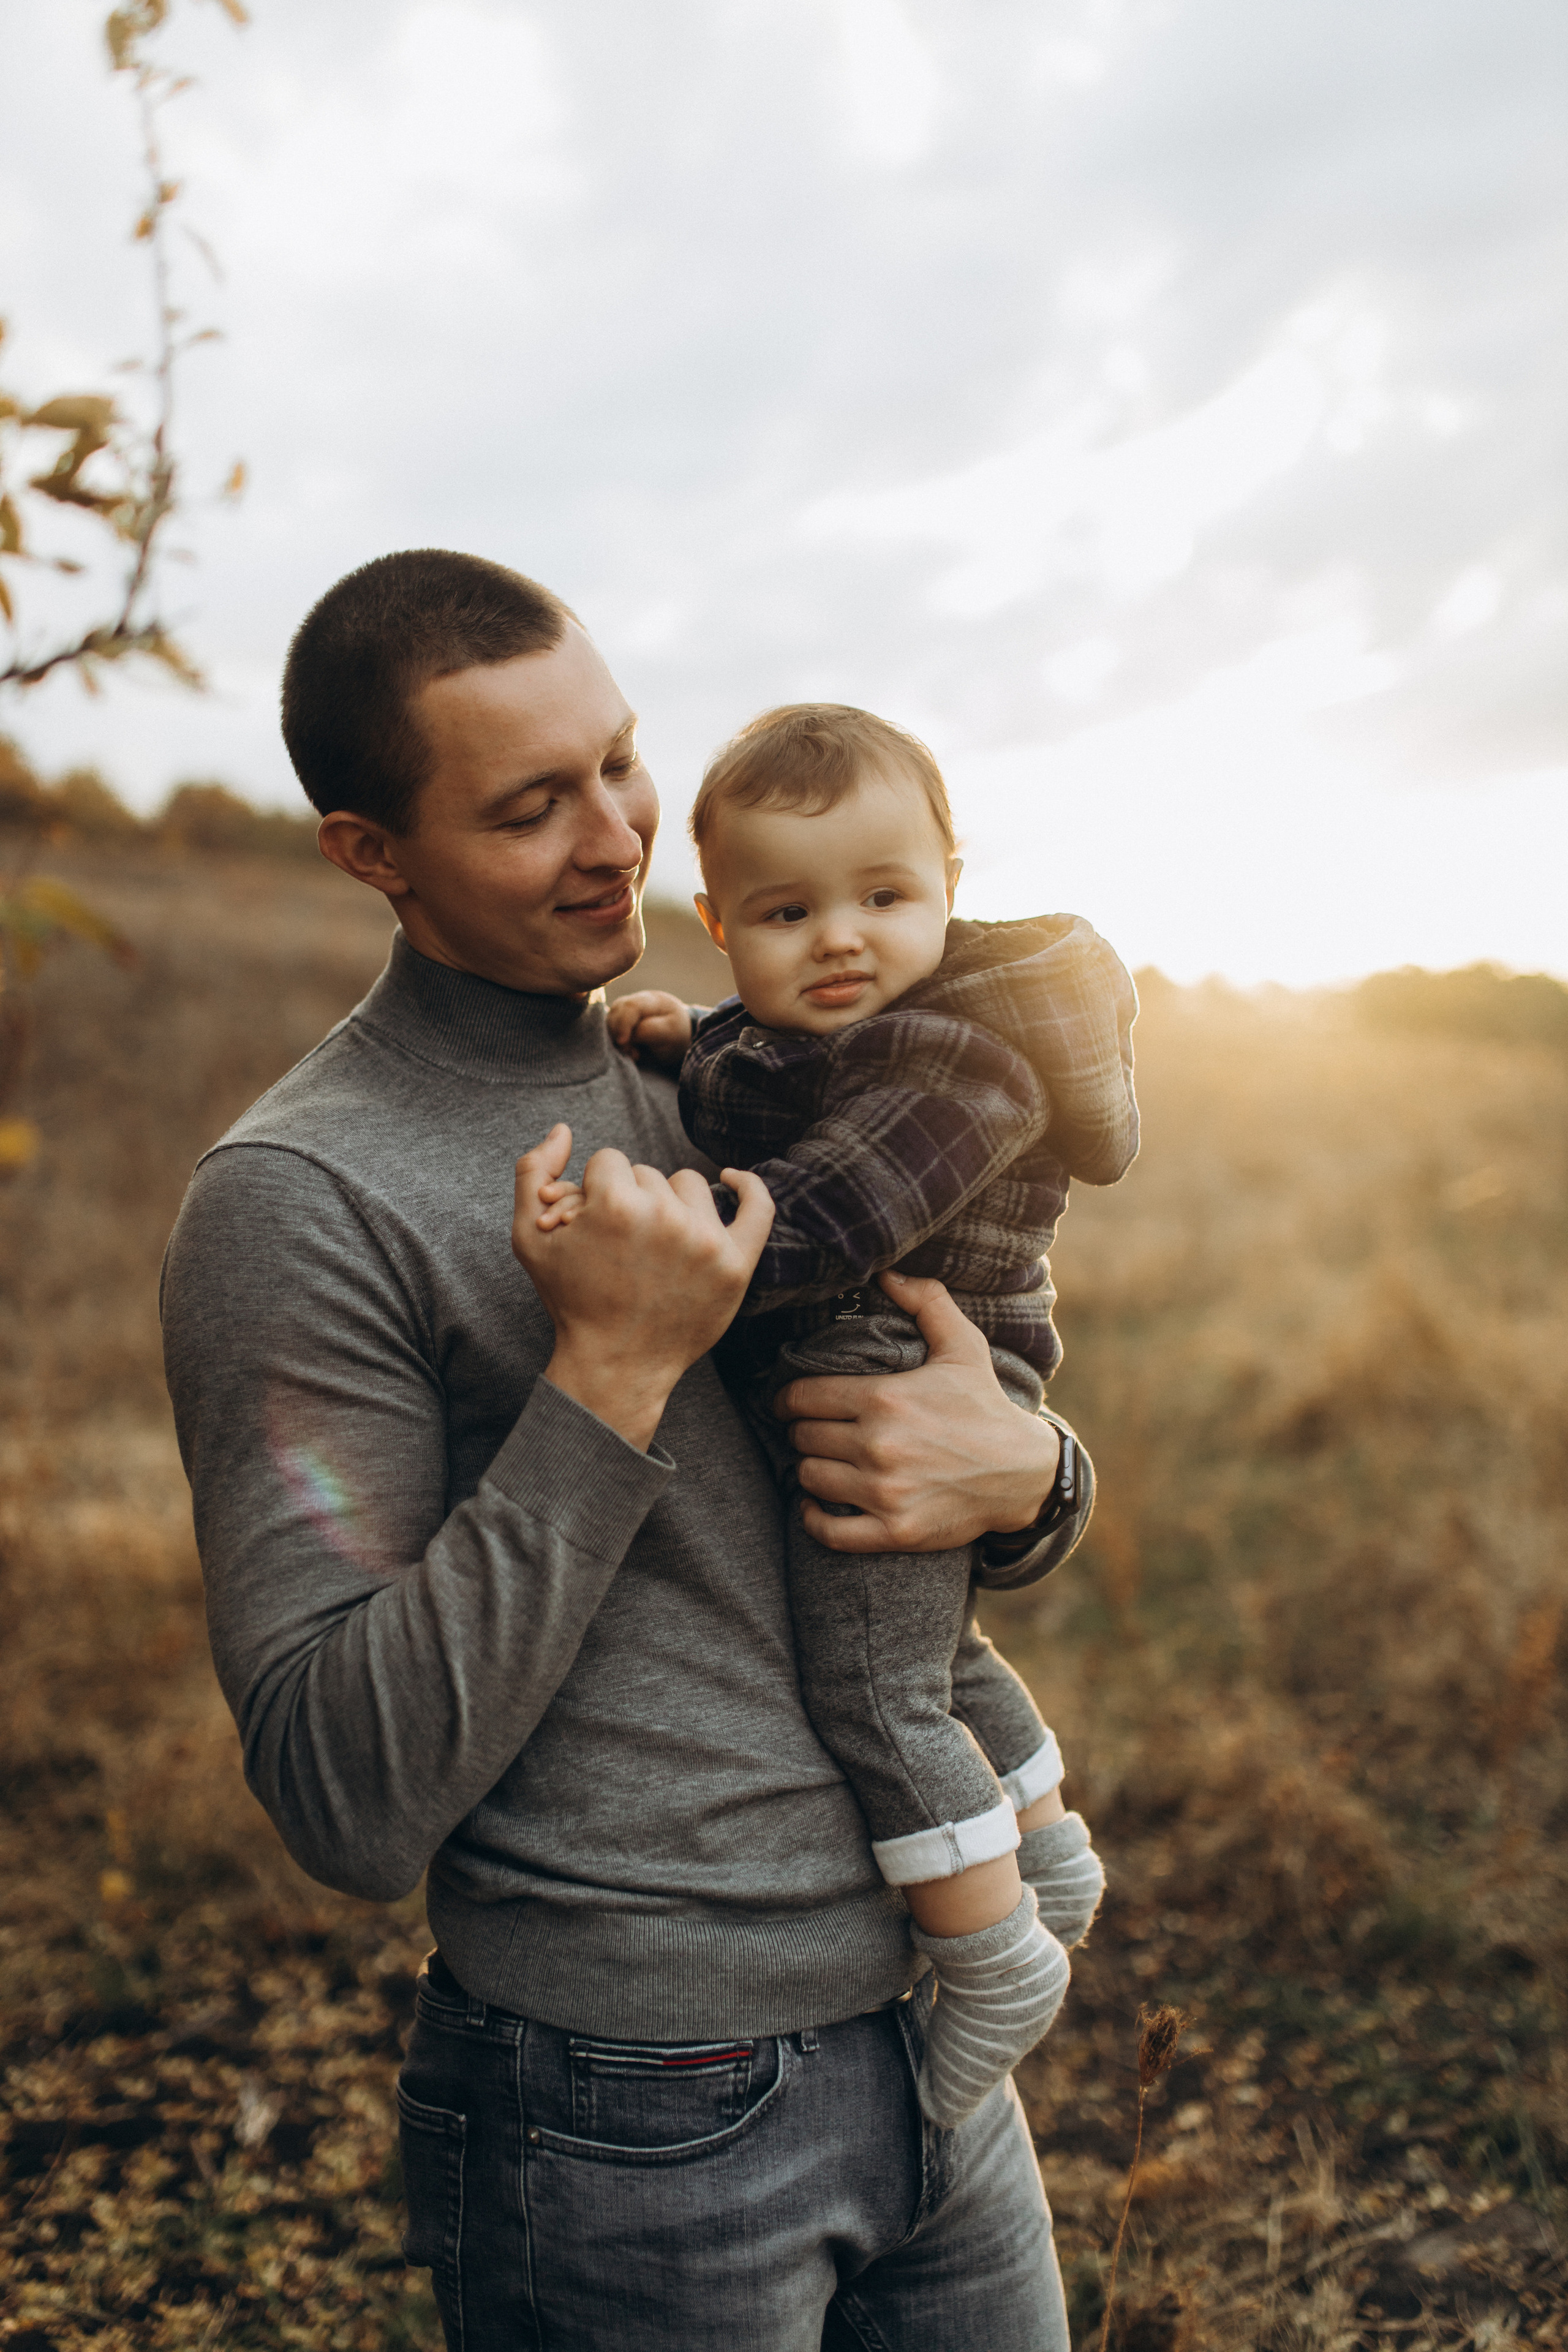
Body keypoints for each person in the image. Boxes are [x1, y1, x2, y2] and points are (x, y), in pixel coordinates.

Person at [160, 549, 1100, 2352]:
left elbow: (925, 1469)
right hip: (628, 2115)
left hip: (933, 2040)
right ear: (372, 851)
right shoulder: (297, 1204)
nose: (615, 840)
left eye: (620, 760)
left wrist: (1034, 1482)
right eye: (530, 806)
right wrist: (604, 1377)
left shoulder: (742, 1073)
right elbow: (342, 1795)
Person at [575, 703, 1134, 2130]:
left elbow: (821, 1214)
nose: (839, 939)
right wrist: (685, 1039)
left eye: (884, 898)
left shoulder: (965, 1061)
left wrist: (644, 1224)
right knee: (935, 1650)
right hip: (888, 1374)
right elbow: (778, 1069)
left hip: (899, 1372)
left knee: (874, 1692)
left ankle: (993, 1959)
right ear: (714, 921)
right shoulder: (842, 1024)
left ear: (949, 878)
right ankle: (1046, 1854)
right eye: (786, 910)